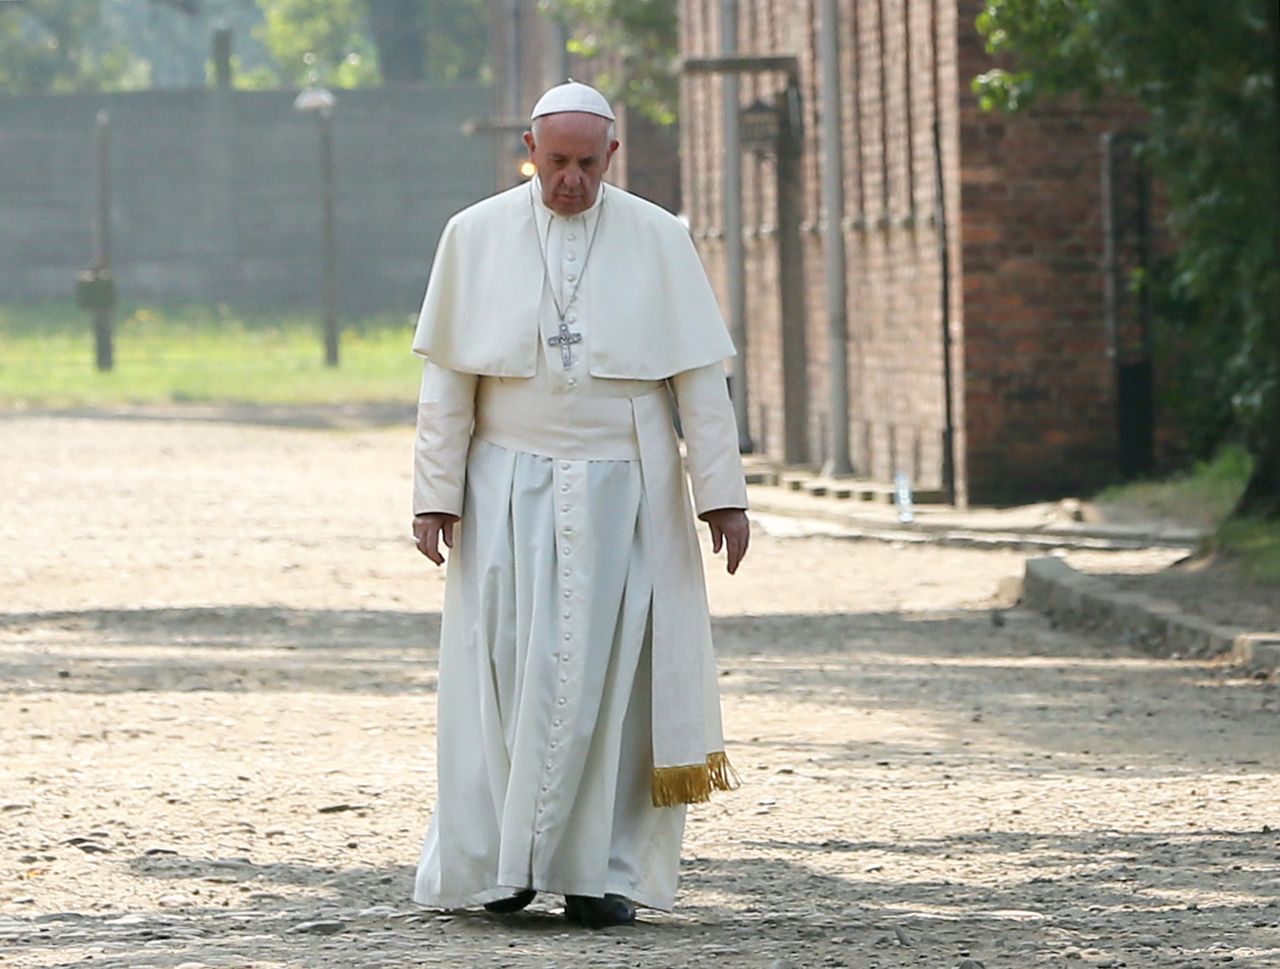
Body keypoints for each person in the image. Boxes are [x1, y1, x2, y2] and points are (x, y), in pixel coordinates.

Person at [409, 80, 749, 929]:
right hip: (504, 487)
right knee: (508, 664)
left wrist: (723, 497)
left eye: (586, 165)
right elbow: (447, 384)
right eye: (554, 162)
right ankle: (504, 866)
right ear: (529, 149)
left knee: (621, 678)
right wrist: (433, 494)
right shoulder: (474, 235)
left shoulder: (660, 238)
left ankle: (605, 870)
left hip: (627, 486)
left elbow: (700, 384)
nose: (569, 181)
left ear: (612, 157)